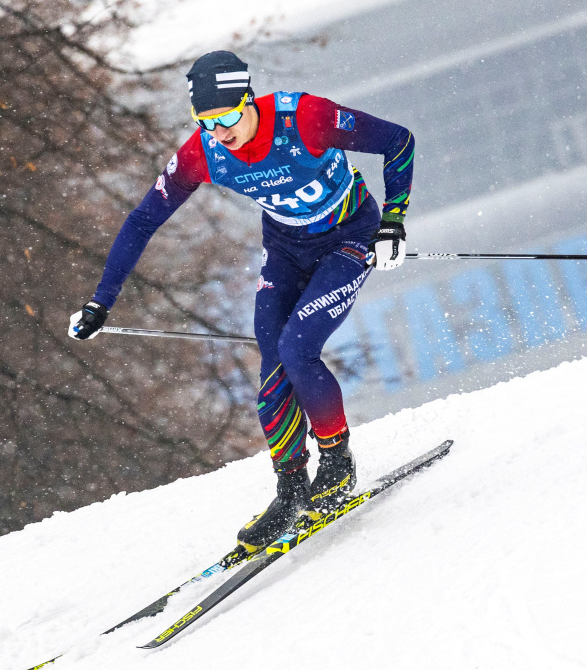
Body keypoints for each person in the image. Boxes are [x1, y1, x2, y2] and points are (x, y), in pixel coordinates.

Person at [68, 51, 414, 552]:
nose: (221, 133)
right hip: (287, 251)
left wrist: (393, 223)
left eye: (228, 118)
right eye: (207, 124)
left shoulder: (306, 118)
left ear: (250, 101)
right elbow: (143, 219)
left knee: (298, 349)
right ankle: (292, 489)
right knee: (272, 366)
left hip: (349, 239)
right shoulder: (203, 153)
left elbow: (397, 141)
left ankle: (337, 466)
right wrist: (102, 302)